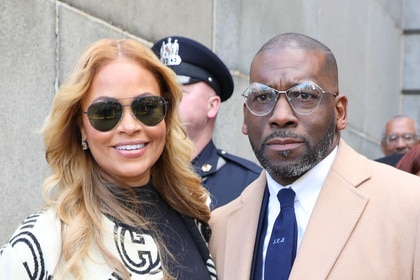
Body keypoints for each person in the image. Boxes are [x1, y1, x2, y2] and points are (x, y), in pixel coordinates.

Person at [208, 32, 420, 279]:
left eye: (304, 95)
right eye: (263, 97)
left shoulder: (410, 205)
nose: (280, 116)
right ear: (245, 117)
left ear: (339, 112)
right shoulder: (220, 226)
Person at [0, 39, 217, 280]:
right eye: (105, 112)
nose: (130, 126)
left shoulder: (196, 213)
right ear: (81, 127)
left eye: (146, 107)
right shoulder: (44, 241)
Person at [152, 36, 261, 209]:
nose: (166, 101)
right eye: (161, 93)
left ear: (212, 106)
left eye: (178, 92)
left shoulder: (248, 184)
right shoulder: (139, 172)